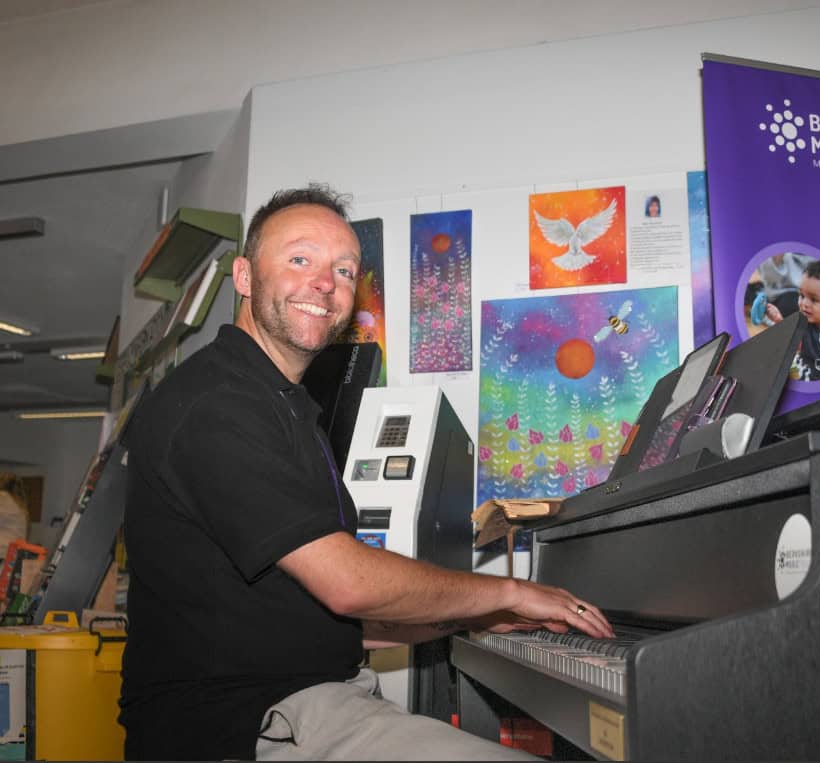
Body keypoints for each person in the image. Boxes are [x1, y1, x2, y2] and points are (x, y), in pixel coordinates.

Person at [119, 185, 613, 761]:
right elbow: (347, 583)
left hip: (306, 698)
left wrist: (480, 615)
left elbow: (324, 622)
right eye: (300, 259)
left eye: (344, 269)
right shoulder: (215, 403)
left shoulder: (285, 407)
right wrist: (511, 592)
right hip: (245, 725)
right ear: (246, 277)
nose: (325, 283)